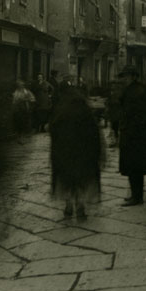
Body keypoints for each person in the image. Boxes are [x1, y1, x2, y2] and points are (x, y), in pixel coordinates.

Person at [49, 82, 104, 220]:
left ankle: (68, 206)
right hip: (83, 152)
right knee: (81, 180)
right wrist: (97, 153)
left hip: (65, 152)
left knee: (67, 179)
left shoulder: (61, 110)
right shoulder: (84, 109)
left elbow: (53, 130)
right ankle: (80, 206)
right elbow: (94, 132)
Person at [118, 65, 146, 205]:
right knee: (135, 166)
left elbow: (130, 112)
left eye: (127, 76)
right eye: (124, 76)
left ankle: (136, 197)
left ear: (134, 77)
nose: (124, 79)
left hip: (133, 134)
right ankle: (136, 195)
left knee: (134, 166)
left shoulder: (134, 92)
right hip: (139, 133)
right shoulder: (139, 89)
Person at [11, 79, 35, 143]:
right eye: (19, 85)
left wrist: (26, 99)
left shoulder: (26, 92)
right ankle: (19, 137)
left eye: (21, 85)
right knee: (18, 123)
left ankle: (22, 137)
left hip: (24, 109)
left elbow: (33, 99)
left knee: (23, 123)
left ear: (23, 85)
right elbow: (14, 101)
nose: (20, 86)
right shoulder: (16, 92)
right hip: (17, 110)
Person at [105, 79, 122, 148]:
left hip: (115, 114)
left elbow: (109, 103)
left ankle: (115, 141)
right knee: (114, 128)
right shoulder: (114, 95)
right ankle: (115, 141)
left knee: (114, 128)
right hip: (114, 114)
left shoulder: (116, 95)